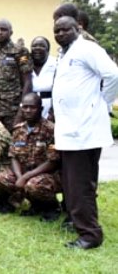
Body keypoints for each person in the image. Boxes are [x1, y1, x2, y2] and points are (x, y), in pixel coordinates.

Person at [52, 16, 118, 249]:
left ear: (77, 29)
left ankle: (90, 236)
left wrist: (103, 102)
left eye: (65, 30)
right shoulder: (66, 53)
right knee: (74, 184)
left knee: (80, 186)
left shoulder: (88, 48)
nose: (60, 34)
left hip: (84, 130)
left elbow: (113, 75)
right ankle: (82, 225)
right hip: (72, 131)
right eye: (56, 30)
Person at [0, 93, 61, 221]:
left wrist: (25, 177)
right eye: (25, 107)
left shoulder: (51, 129)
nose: (28, 110)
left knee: (33, 184)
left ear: (41, 109)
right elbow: (13, 156)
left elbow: (52, 162)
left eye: (32, 107)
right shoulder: (18, 129)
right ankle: (34, 205)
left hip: (49, 174)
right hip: (25, 172)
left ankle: (52, 207)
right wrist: (20, 177)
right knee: (2, 178)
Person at [0, 19, 32, 129]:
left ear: (11, 32)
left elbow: (27, 82)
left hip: (11, 109)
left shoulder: (19, 51)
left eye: (3, 29)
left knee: (14, 142)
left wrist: (21, 109)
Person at [30, 37, 56, 119]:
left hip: (50, 104)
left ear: (48, 50)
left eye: (42, 46)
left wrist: (53, 111)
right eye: (34, 46)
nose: (37, 48)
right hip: (29, 107)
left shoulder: (56, 63)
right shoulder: (26, 64)